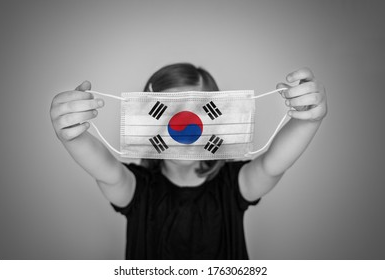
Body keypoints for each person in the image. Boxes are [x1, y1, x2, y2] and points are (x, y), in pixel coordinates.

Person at [49, 63, 327, 259]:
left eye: (197, 111)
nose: (183, 126)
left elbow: (273, 164)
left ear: (217, 118)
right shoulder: (137, 187)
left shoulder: (233, 182)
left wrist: (308, 120)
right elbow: (106, 170)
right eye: (167, 111)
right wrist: (74, 137)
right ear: (148, 122)